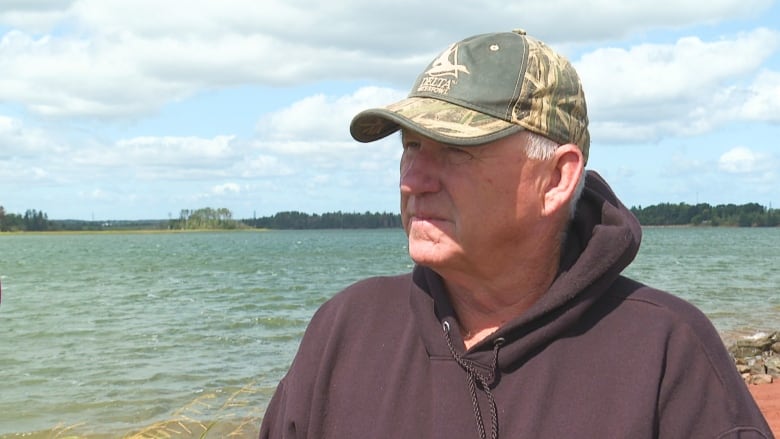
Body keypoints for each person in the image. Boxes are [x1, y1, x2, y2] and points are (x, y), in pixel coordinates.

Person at [259, 29, 773, 439]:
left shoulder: (666, 352)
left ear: (556, 177)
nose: (413, 180)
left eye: (456, 150)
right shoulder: (346, 330)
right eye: (411, 148)